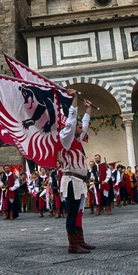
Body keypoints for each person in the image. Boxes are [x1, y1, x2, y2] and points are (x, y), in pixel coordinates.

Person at [56, 90, 93, 254]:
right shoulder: (66, 138)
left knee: (78, 213)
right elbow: (71, 123)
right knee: (71, 213)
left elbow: (83, 125)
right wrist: (75, 99)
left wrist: (88, 109)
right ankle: (72, 245)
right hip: (71, 181)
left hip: (79, 181)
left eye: (80, 127)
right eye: (78, 127)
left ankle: (80, 240)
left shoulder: (77, 140)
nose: (81, 129)